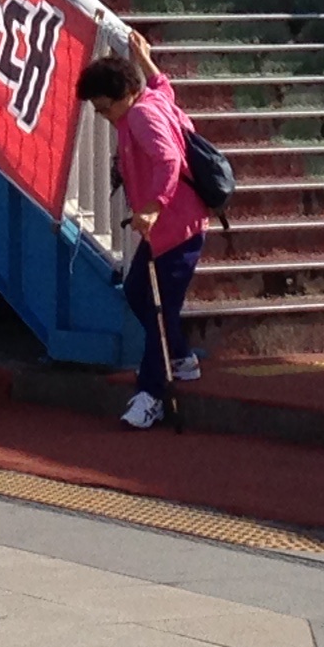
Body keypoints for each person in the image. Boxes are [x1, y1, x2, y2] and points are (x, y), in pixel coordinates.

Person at [76, 28, 206, 429]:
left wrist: (152, 207)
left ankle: (151, 394)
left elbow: (168, 160)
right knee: (138, 293)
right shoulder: (150, 100)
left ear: (124, 96)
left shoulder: (141, 115)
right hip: (168, 231)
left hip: (176, 227)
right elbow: (164, 86)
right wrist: (145, 59)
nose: (104, 116)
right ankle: (180, 357)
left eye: (104, 108)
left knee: (158, 312)